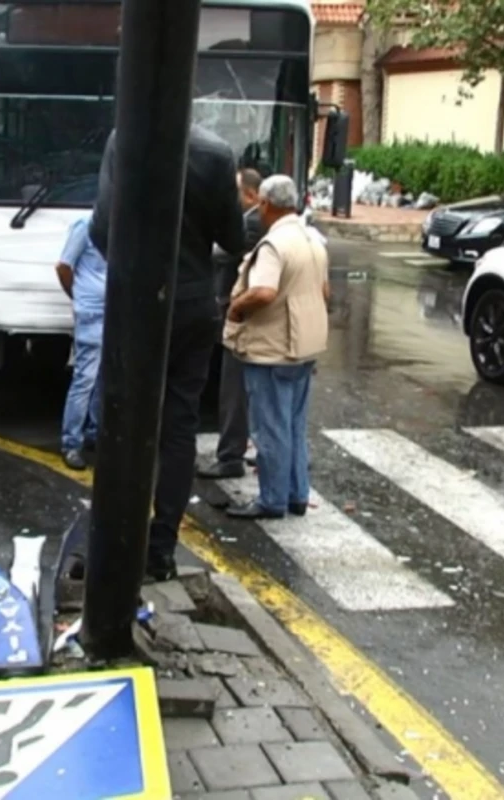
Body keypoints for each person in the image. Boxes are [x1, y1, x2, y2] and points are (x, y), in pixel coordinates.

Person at [89, 124, 246, 581]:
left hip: (138, 303)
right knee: (180, 427)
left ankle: (118, 540)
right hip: (194, 303)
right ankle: (161, 548)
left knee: (125, 418)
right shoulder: (216, 153)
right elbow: (234, 237)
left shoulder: (124, 137)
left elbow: (102, 228)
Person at [223, 175, 329, 519]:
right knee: (294, 425)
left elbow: (265, 292)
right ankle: (297, 494)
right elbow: (325, 292)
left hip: (273, 348)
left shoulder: (274, 245)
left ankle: (272, 500)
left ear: (266, 204)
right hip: (304, 344)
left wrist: (237, 307)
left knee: (270, 427)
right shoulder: (312, 239)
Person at [199, 167, 267, 480]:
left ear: (252, 195)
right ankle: (260, 452)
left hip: (241, 315)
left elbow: (219, 253)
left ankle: (230, 457)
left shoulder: (252, 224)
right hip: (255, 318)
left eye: (235, 193)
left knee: (234, 390)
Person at [55, 216, 107, 471]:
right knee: (85, 378)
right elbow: (64, 266)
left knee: (103, 378)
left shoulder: (118, 224)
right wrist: (79, 297)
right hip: (92, 312)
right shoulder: (85, 226)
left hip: (114, 313)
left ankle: (94, 434)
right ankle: (71, 442)